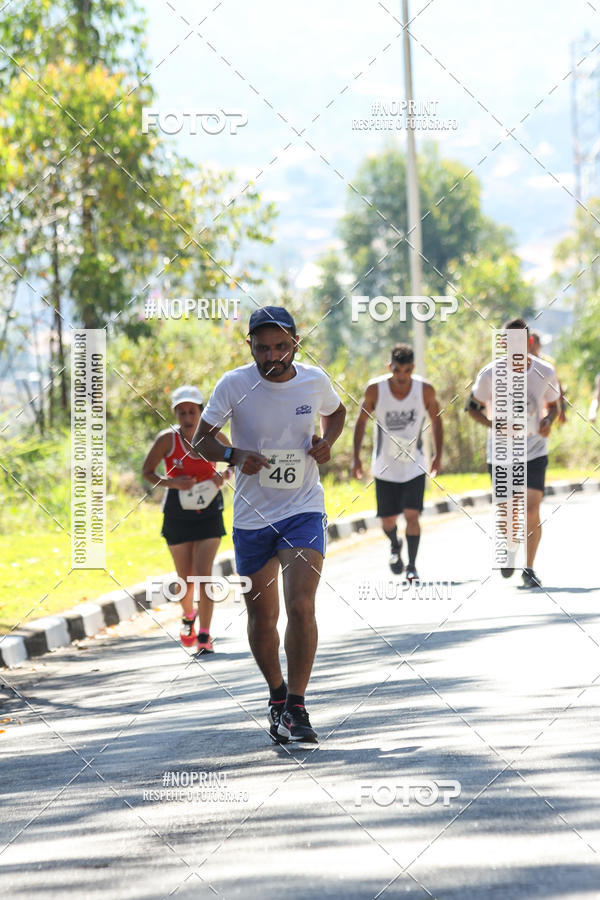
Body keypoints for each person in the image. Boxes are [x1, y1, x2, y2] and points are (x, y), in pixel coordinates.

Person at [192, 306, 346, 743]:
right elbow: (201, 438)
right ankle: (276, 696)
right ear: (250, 347)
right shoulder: (234, 385)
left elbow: (337, 413)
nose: (272, 356)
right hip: (251, 517)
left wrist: (327, 442)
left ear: (295, 343)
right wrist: (233, 456)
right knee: (263, 617)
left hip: (303, 508)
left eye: (281, 346)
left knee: (301, 605)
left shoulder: (314, 380)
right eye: (263, 348)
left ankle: (297, 706)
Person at [467, 318, 560, 588]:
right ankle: (509, 550)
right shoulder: (489, 374)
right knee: (508, 512)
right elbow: (472, 408)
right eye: (510, 342)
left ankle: (529, 568)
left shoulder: (545, 371)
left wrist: (547, 422)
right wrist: (493, 424)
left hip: (534, 449)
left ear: (529, 342)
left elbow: (554, 405)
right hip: (501, 452)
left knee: (531, 509)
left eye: (521, 341)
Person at [142, 385, 229, 653]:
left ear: (202, 412)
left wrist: (223, 478)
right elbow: (148, 472)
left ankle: (204, 634)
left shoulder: (215, 437)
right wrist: (173, 483)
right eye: (182, 412)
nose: (188, 417)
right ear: (176, 415)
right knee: (186, 578)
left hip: (209, 513)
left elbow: (237, 459)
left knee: (204, 575)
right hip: (177, 515)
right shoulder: (166, 440)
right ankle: (188, 616)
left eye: (192, 411)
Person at [352, 343, 442, 582]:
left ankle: (412, 565)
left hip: (414, 464)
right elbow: (360, 422)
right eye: (397, 371)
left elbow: (437, 419)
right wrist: (355, 458)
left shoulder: (424, 390)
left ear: (413, 368)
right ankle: (394, 544)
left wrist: (438, 455)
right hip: (385, 466)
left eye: (407, 371)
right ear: (390, 367)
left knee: (413, 516)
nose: (402, 377)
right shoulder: (375, 390)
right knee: (388, 520)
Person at [530, 332, 566, 424]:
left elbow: (558, 386)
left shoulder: (547, 363)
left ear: (538, 344)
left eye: (533, 343)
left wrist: (562, 409)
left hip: (547, 406)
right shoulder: (523, 363)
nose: (531, 347)